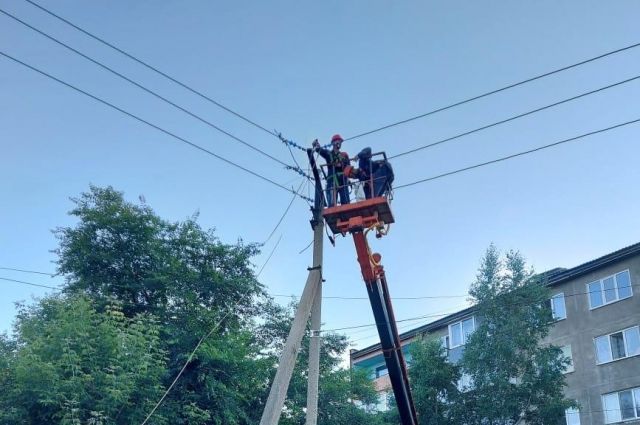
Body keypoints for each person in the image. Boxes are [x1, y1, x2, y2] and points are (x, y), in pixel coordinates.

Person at [312, 134, 351, 207]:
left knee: (345, 202)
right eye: (337, 141)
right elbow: (321, 150)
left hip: (342, 179)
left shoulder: (344, 155)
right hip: (332, 179)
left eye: (340, 142)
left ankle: (346, 209)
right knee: (332, 204)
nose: (339, 143)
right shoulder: (329, 154)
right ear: (333, 143)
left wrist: (343, 167)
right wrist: (316, 145)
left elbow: (348, 166)